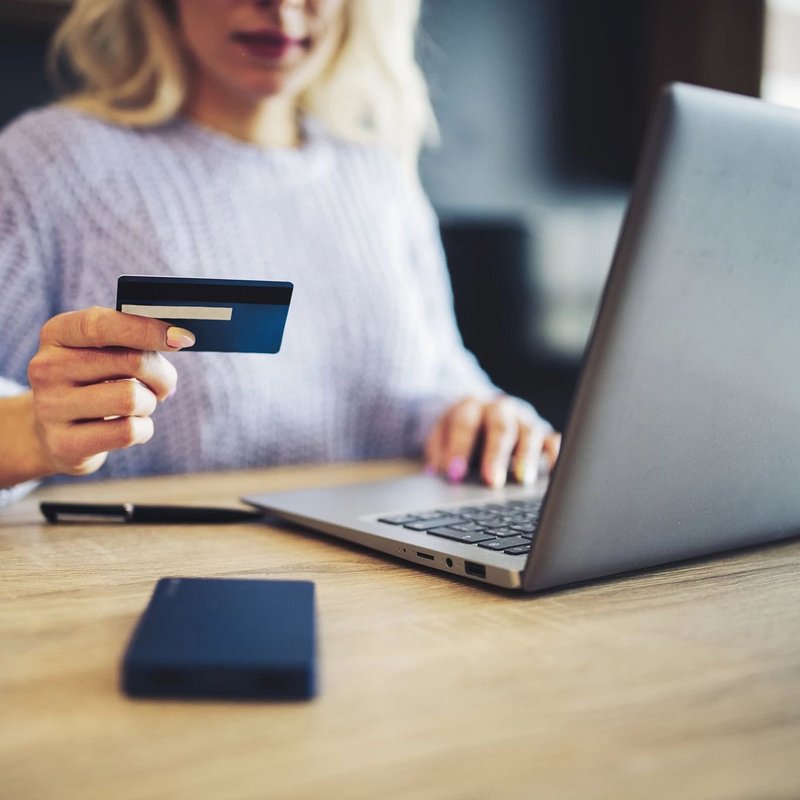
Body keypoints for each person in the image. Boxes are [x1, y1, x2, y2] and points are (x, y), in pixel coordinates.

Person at [0, 0, 560, 507]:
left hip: (385, 583)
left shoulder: (377, 176)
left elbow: (440, 376)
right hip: (131, 582)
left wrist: (482, 417)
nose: (282, 5)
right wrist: (33, 433)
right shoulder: (48, 163)